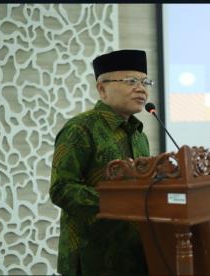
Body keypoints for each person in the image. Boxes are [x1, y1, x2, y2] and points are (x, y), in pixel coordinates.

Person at [49, 49, 152, 275]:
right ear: (102, 88)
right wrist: (119, 202)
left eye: (145, 81)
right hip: (92, 258)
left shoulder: (139, 135)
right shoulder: (80, 129)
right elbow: (61, 189)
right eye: (131, 81)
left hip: (134, 256)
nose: (141, 88)